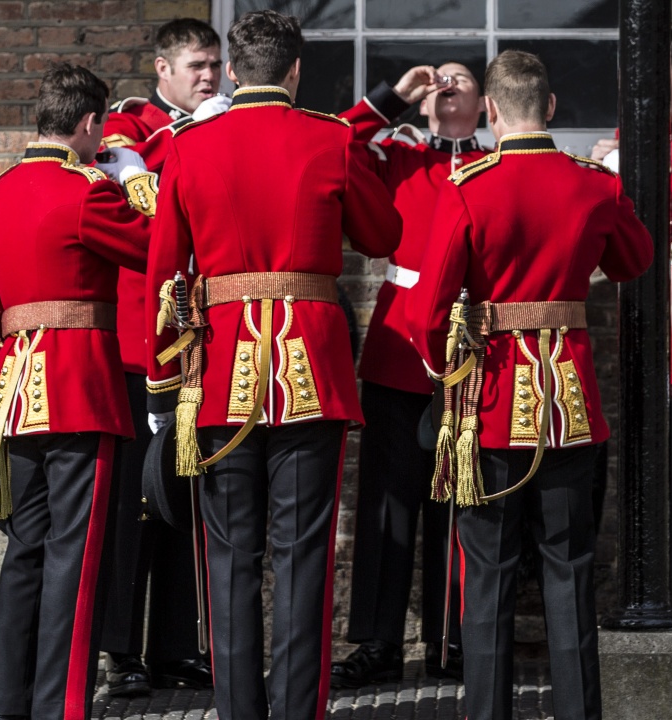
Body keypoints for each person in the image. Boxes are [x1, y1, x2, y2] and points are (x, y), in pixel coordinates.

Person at [144, 11, 402, 719]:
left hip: (222, 367)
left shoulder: (189, 147)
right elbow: (385, 234)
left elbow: (162, 269)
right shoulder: (331, 139)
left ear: (233, 72)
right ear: (295, 72)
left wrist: (162, 382)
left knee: (229, 557)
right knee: (303, 553)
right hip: (310, 366)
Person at [405, 50, 652, 720]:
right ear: (549, 108)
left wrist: (439, 366)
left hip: (489, 403)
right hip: (568, 403)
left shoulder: (469, 185)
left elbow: (426, 312)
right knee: (570, 571)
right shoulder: (592, 185)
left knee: (486, 575)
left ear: (489, 111)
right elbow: (635, 260)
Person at [0, 63, 153, 720]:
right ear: (88, 124)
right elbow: (156, 248)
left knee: (26, 551)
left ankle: (7, 703)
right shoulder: (90, 191)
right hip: (80, 388)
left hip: (15, 388)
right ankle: (62, 706)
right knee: (77, 553)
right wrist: (139, 180)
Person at [329, 62, 488, 688]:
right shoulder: (396, 154)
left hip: (471, 347)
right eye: (438, 81)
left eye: (462, 80)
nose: (447, 85)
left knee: (462, 495)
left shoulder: (496, 160)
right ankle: (378, 642)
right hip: (401, 345)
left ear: (484, 103)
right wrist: (391, 96)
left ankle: (455, 638)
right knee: (388, 502)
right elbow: (337, 145)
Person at [94, 17, 223, 696]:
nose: (209, 76)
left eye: (215, 65)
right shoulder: (130, 122)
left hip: (190, 343)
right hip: (135, 341)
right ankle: (122, 650)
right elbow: (140, 186)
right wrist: (198, 126)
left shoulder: (213, 124)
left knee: (181, 494)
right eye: (197, 65)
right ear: (163, 69)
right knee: (130, 505)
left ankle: (175, 645)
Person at [588, 25, 672, 618]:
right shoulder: (634, 137)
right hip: (653, 332)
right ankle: (664, 608)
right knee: (656, 496)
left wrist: (620, 167)